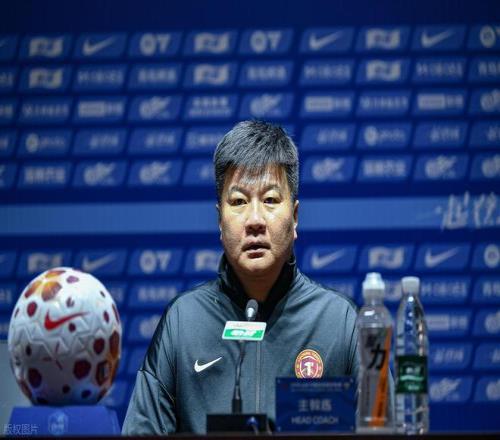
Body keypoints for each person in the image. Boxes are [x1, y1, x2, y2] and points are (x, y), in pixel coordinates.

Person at [122, 120, 359, 435]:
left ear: (295, 217)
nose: (255, 220)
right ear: (220, 221)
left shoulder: (339, 322)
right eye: (238, 202)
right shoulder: (183, 322)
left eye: (270, 200)